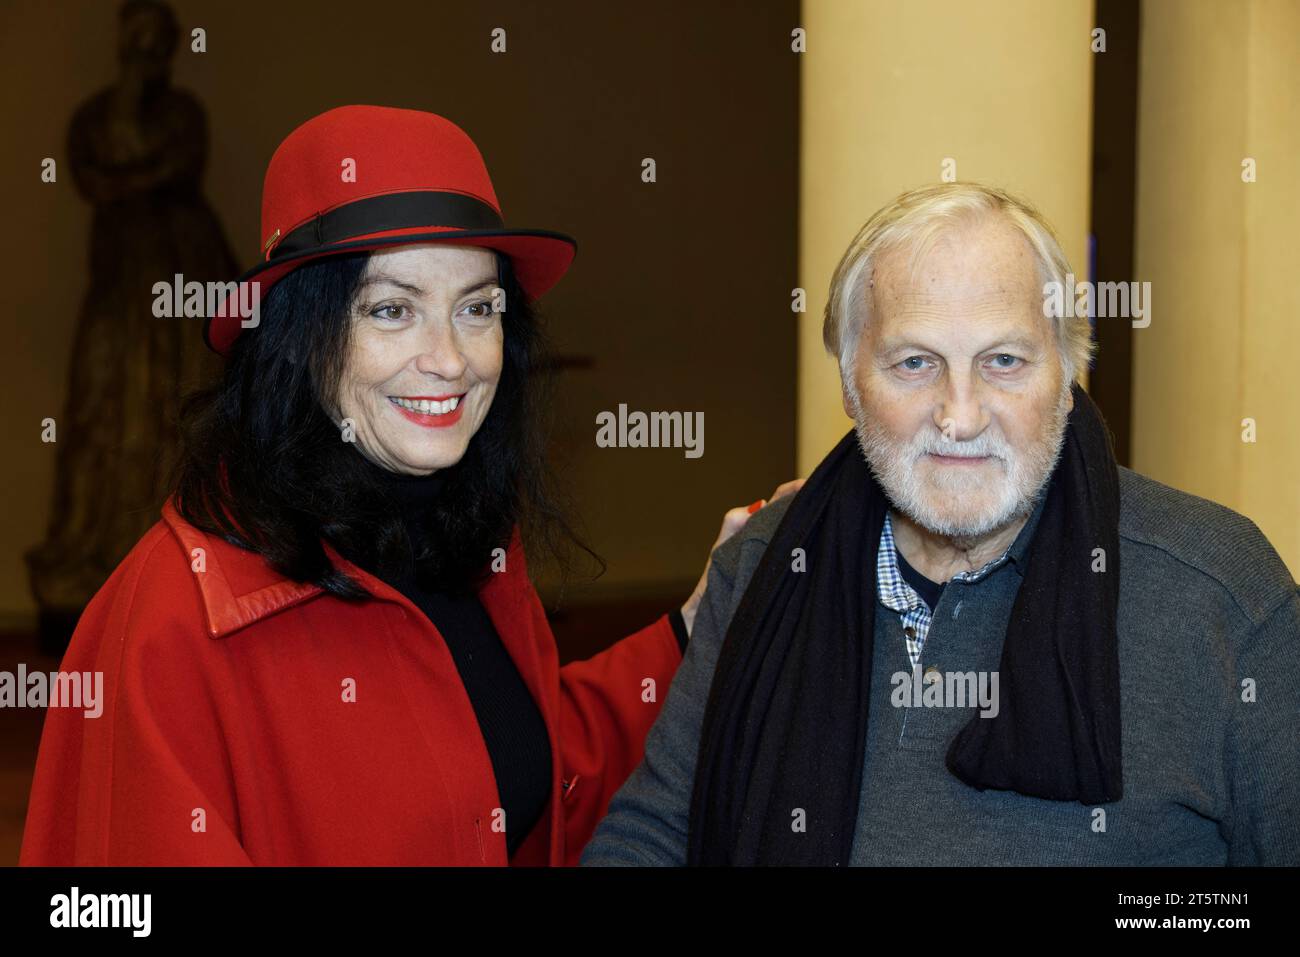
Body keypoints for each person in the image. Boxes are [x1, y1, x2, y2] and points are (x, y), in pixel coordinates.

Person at [19, 105, 795, 866]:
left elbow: (517, 781)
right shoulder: (172, 619)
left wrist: (699, 622)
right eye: (393, 309)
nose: (451, 359)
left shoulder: (470, 542)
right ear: (296, 339)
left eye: (477, 308)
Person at [582, 182, 1300, 866]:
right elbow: (652, 834)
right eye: (916, 362)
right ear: (850, 384)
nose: (960, 415)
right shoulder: (767, 566)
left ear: (1068, 373)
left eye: (1005, 360)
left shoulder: (1221, 595)